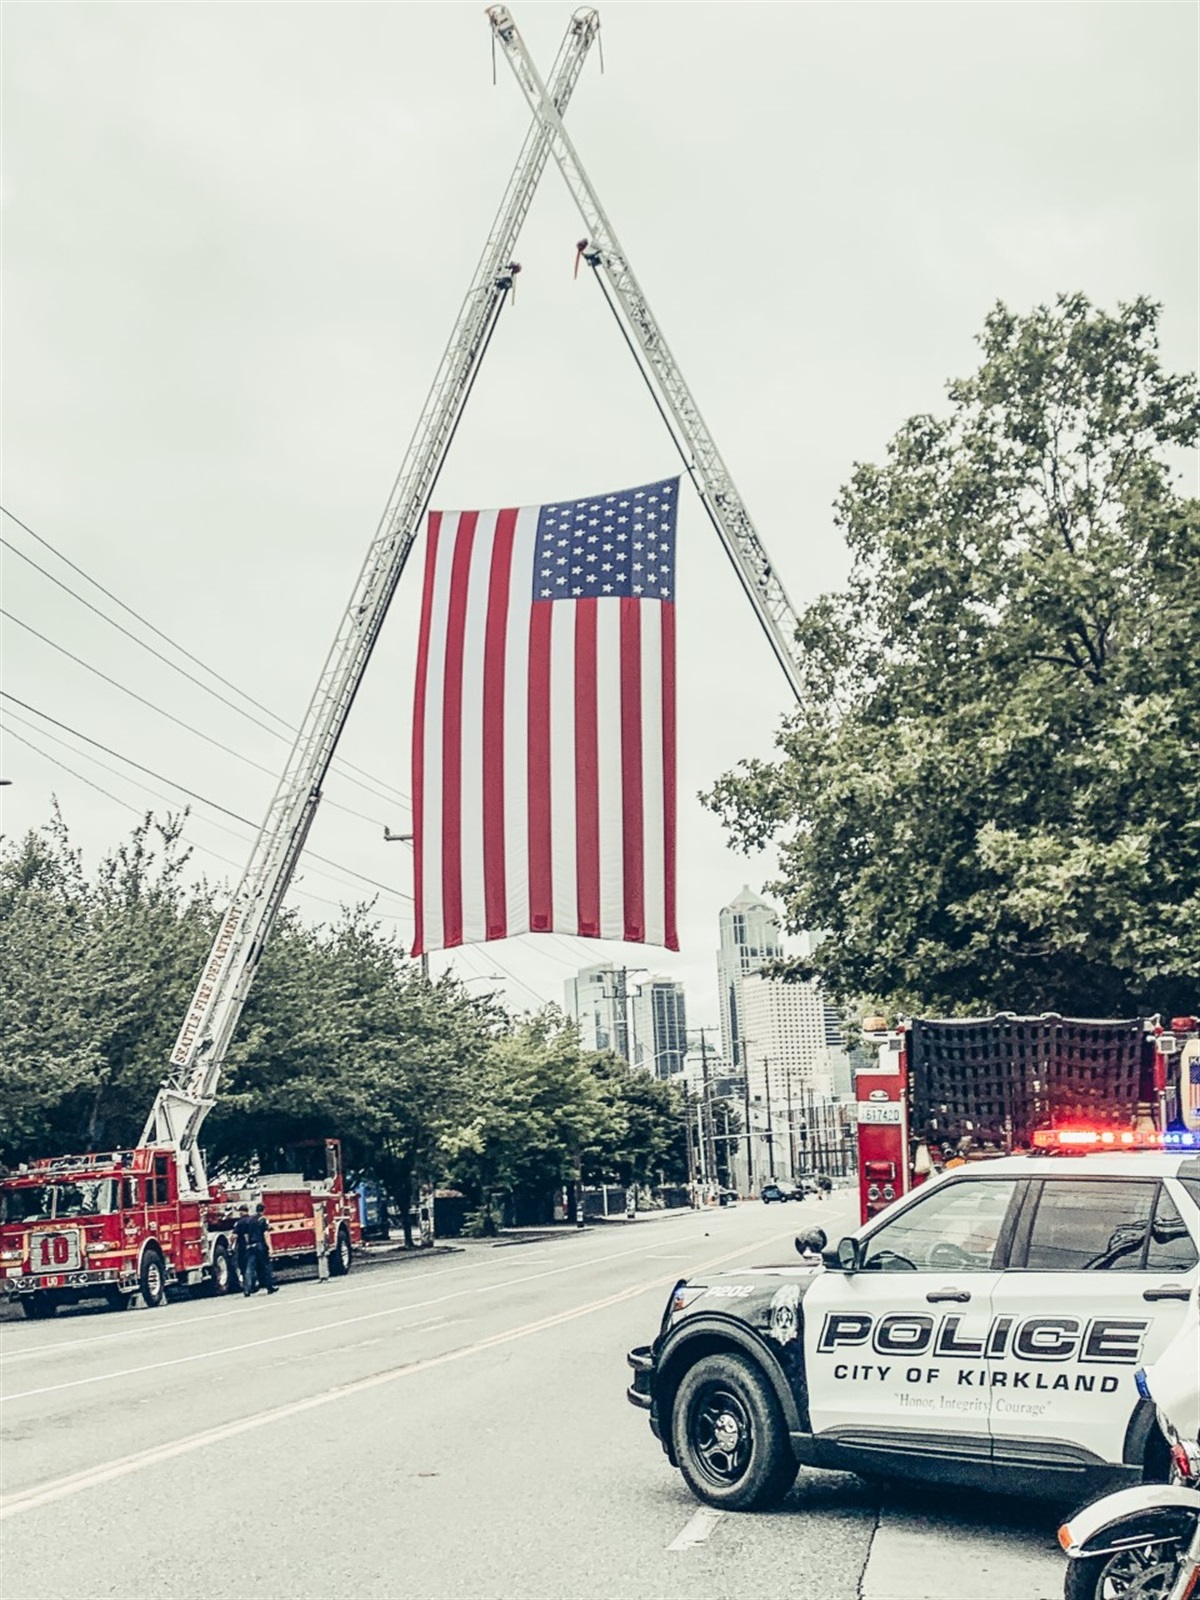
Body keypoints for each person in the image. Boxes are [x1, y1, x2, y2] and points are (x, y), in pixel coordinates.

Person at [234, 1203, 277, 1296]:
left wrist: (247, 1244)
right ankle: (269, 1287)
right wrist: (270, 1247)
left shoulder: (250, 1220)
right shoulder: (263, 1220)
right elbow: (266, 1234)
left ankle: (247, 1289)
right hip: (260, 1245)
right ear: (263, 1210)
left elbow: (245, 1234)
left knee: (249, 1268)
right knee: (266, 1266)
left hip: (250, 1246)